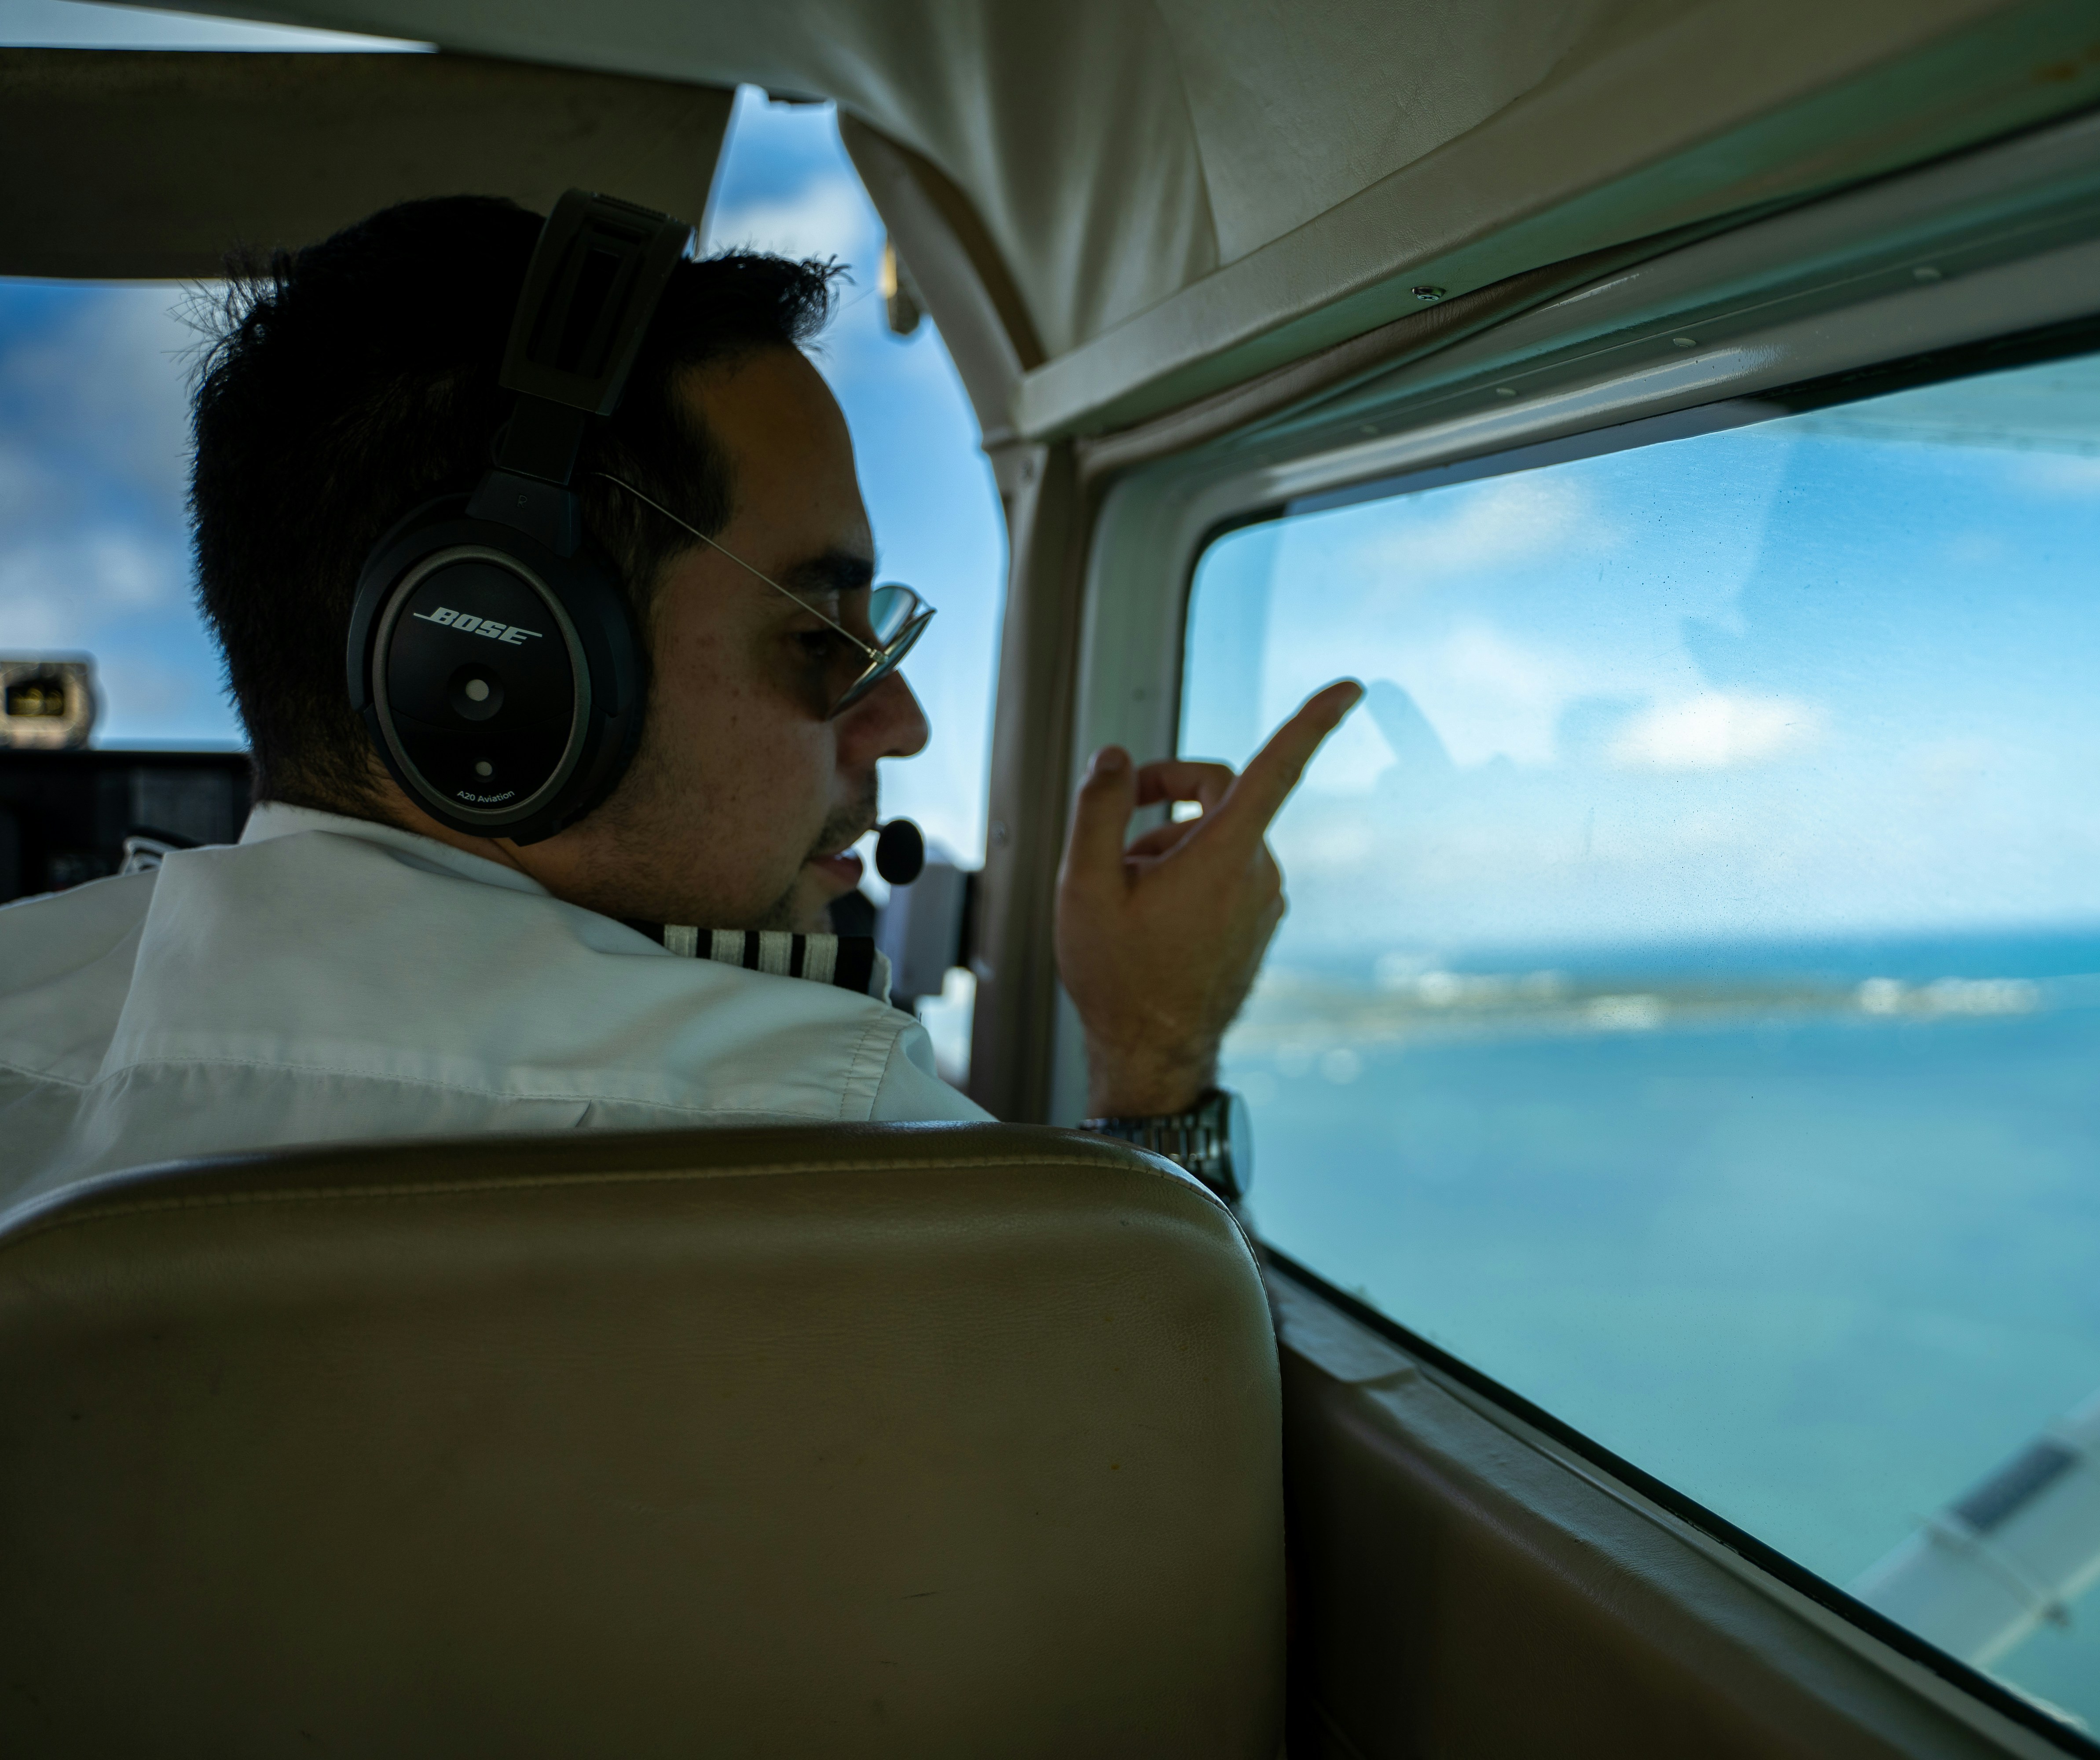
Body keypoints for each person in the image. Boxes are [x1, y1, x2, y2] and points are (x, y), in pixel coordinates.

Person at [0, 195, 1357, 1211]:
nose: (902, 726)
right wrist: (1153, 1055)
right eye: (821, 640)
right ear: (499, 679)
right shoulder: (820, 1130)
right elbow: (1148, 1459)